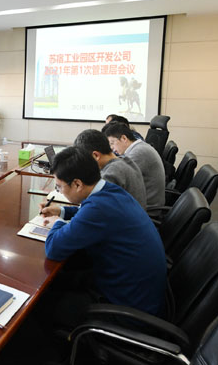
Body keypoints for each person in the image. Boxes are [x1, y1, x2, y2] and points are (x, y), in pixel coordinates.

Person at [40, 146, 166, 323]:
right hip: (137, 291)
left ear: (77, 184)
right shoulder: (110, 190)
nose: (59, 191)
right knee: (65, 276)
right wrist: (61, 211)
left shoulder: (98, 208)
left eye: (59, 187)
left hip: (127, 309)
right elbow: (88, 213)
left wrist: (57, 222)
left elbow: (54, 248)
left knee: (40, 306)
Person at [73, 129, 147, 208]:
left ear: (96, 156)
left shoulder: (111, 173)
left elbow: (92, 207)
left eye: (85, 161)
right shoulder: (125, 161)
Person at [103, 122, 165, 206]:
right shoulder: (139, 147)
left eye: (112, 143)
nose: (111, 148)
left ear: (124, 138)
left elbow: (116, 178)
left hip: (147, 208)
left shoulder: (139, 152)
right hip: (141, 202)